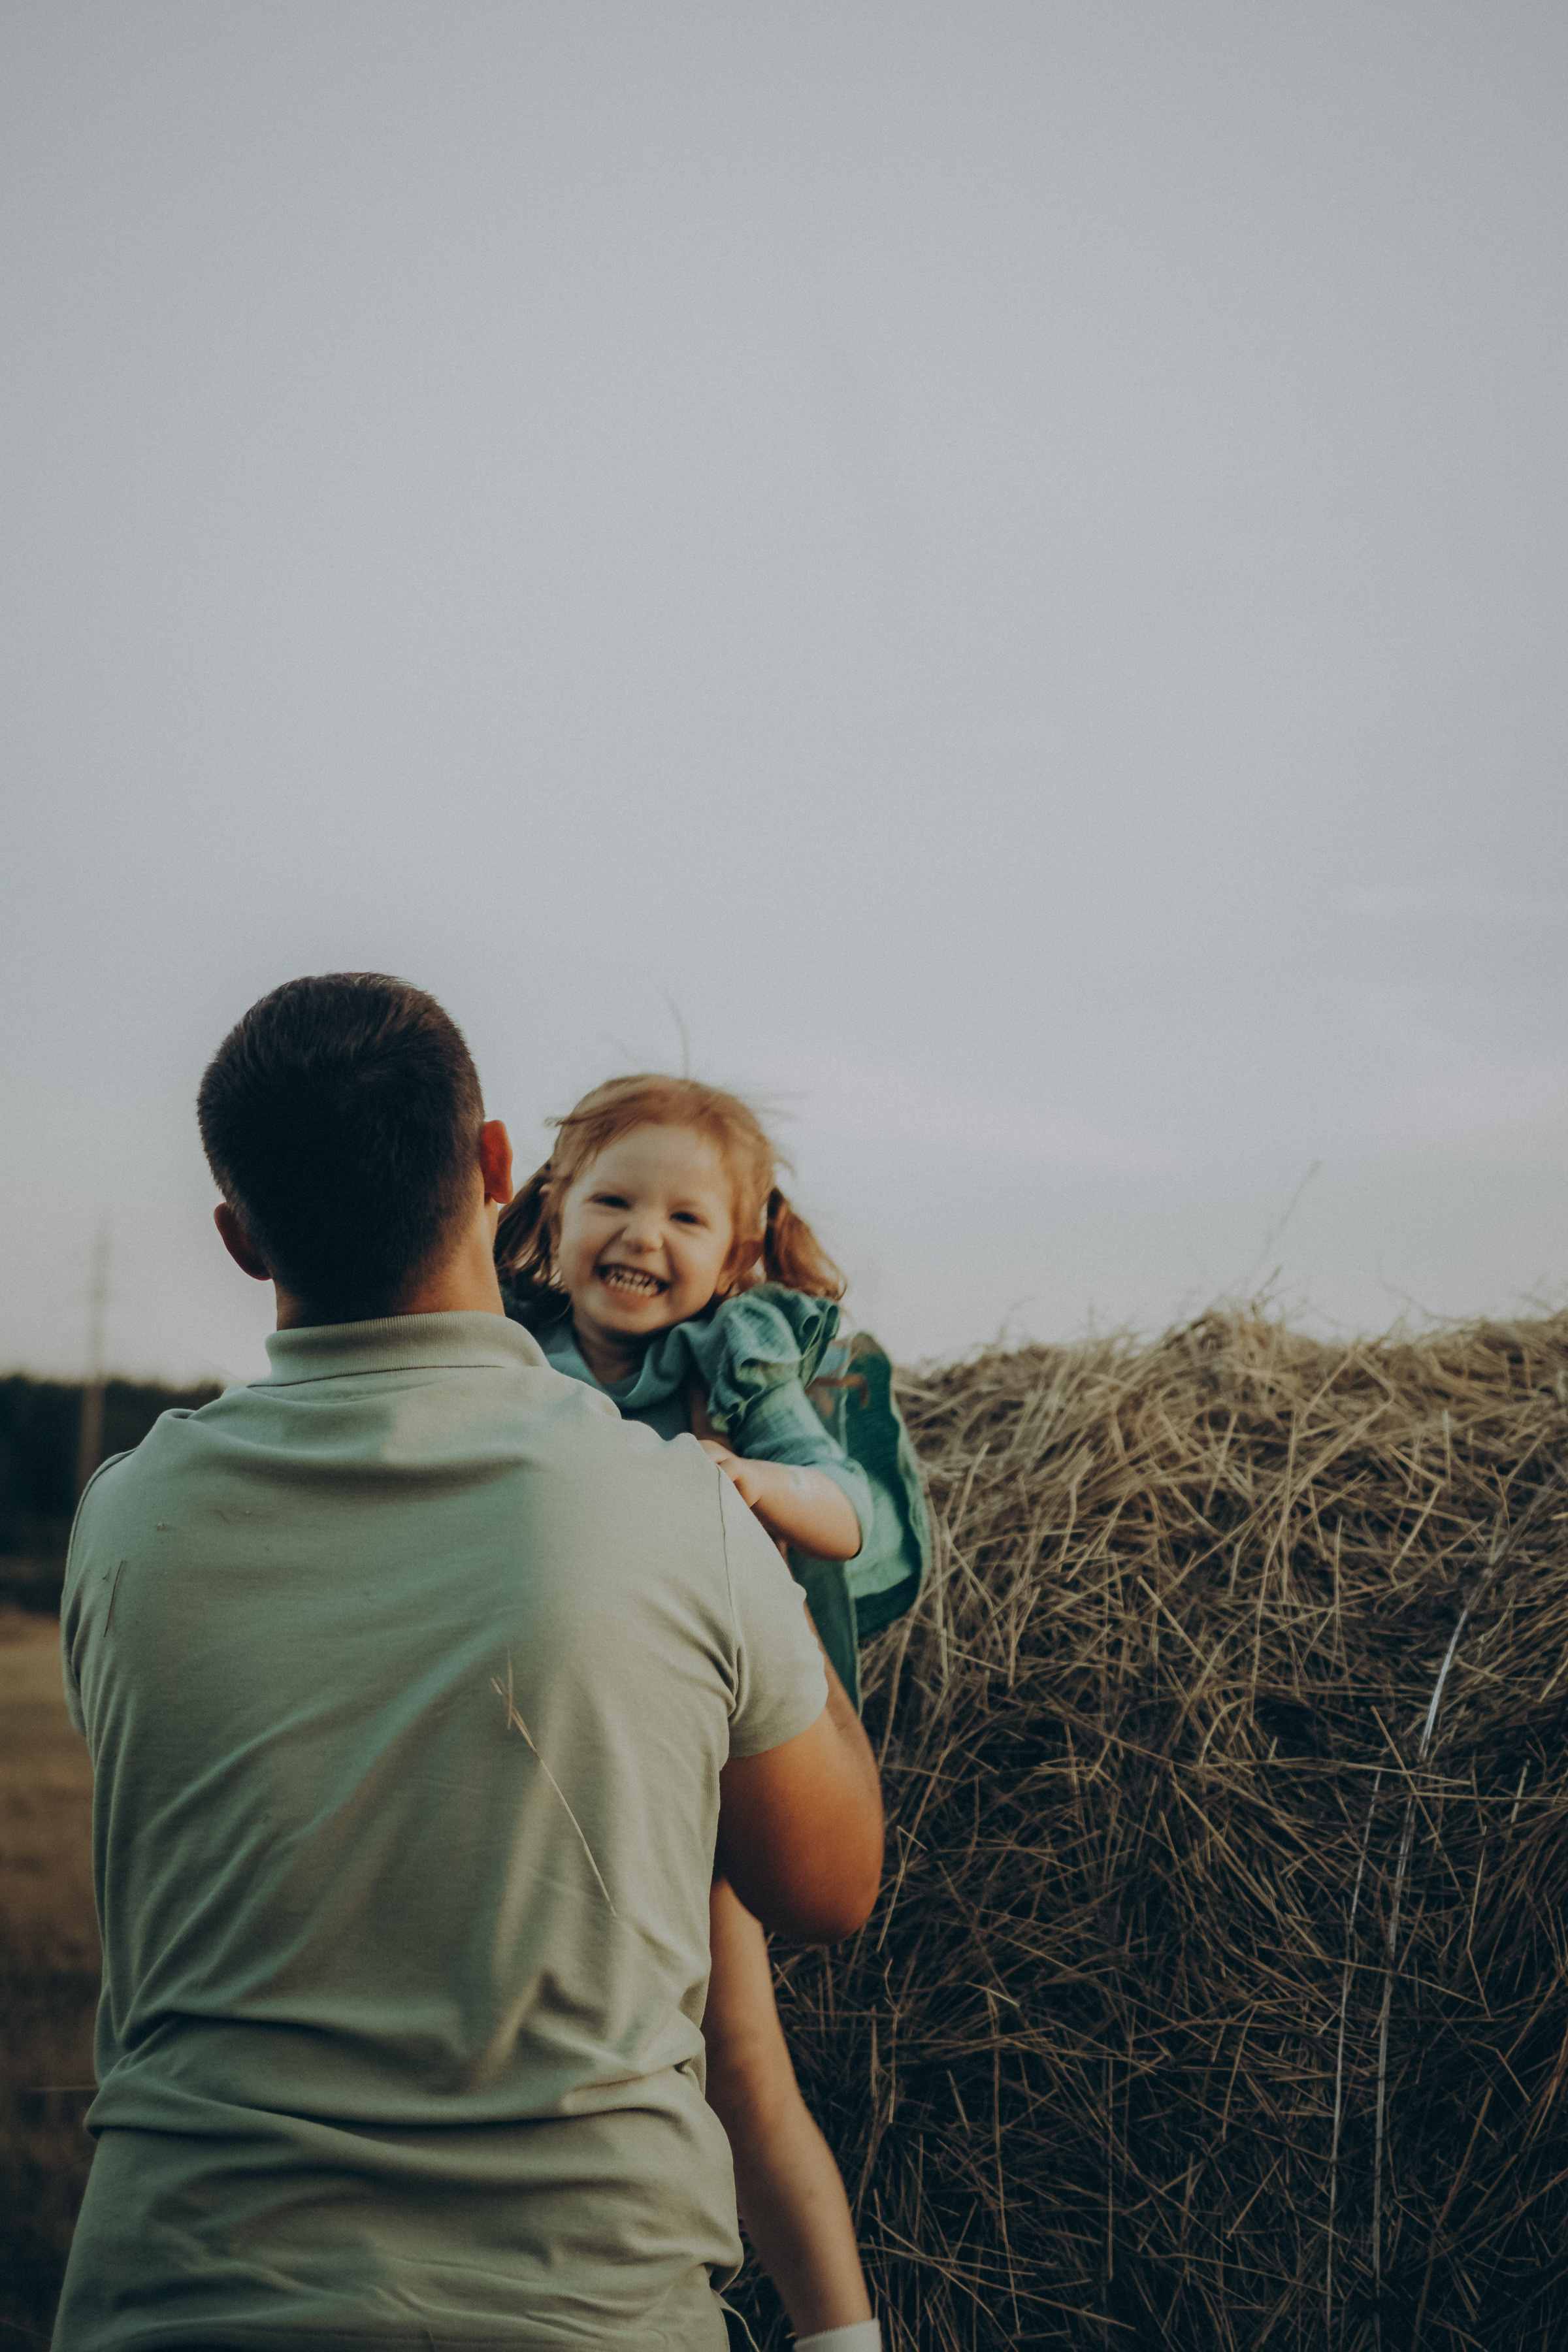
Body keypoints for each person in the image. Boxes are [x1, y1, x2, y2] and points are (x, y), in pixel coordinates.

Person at [53, 975, 884, 2352]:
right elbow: (832, 1886)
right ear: (500, 1169)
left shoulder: (124, 1522)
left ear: (239, 1238)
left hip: (175, 2303)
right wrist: (771, 1578)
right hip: (582, 2313)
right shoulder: (679, 1506)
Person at [495, 1075, 930, 2352]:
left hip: (690, 1753)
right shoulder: (507, 1359)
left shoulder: (734, 1363)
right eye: (614, 1202)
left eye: (687, 1219)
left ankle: (840, 2336)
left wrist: (745, 1478)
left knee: (740, 2059)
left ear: (737, 1253)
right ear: (554, 1216)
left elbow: (851, 1513)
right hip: (538, 1746)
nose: (643, 1235)